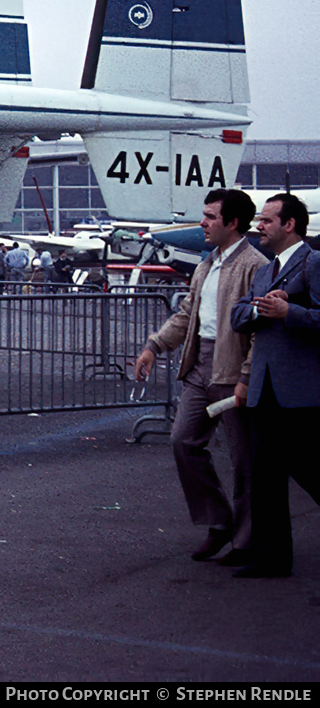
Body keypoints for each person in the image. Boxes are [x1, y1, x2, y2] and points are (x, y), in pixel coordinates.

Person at [132, 189, 264, 565]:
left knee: (244, 459)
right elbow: (187, 313)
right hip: (199, 365)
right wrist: (154, 346)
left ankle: (246, 540)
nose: (202, 223)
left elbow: (257, 329)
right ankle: (219, 522)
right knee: (183, 441)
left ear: (232, 222)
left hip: (232, 369)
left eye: (209, 216)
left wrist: (246, 374)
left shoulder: (253, 264)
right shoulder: (209, 263)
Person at [229, 193, 320, 578]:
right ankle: (272, 557)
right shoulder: (266, 270)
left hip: (299, 390)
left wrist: (290, 312)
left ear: (290, 225)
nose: (258, 226)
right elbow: (238, 315)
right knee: (264, 474)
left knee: (309, 468)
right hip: (265, 387)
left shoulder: (313, 263)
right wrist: (261, 308)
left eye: (267, 220)